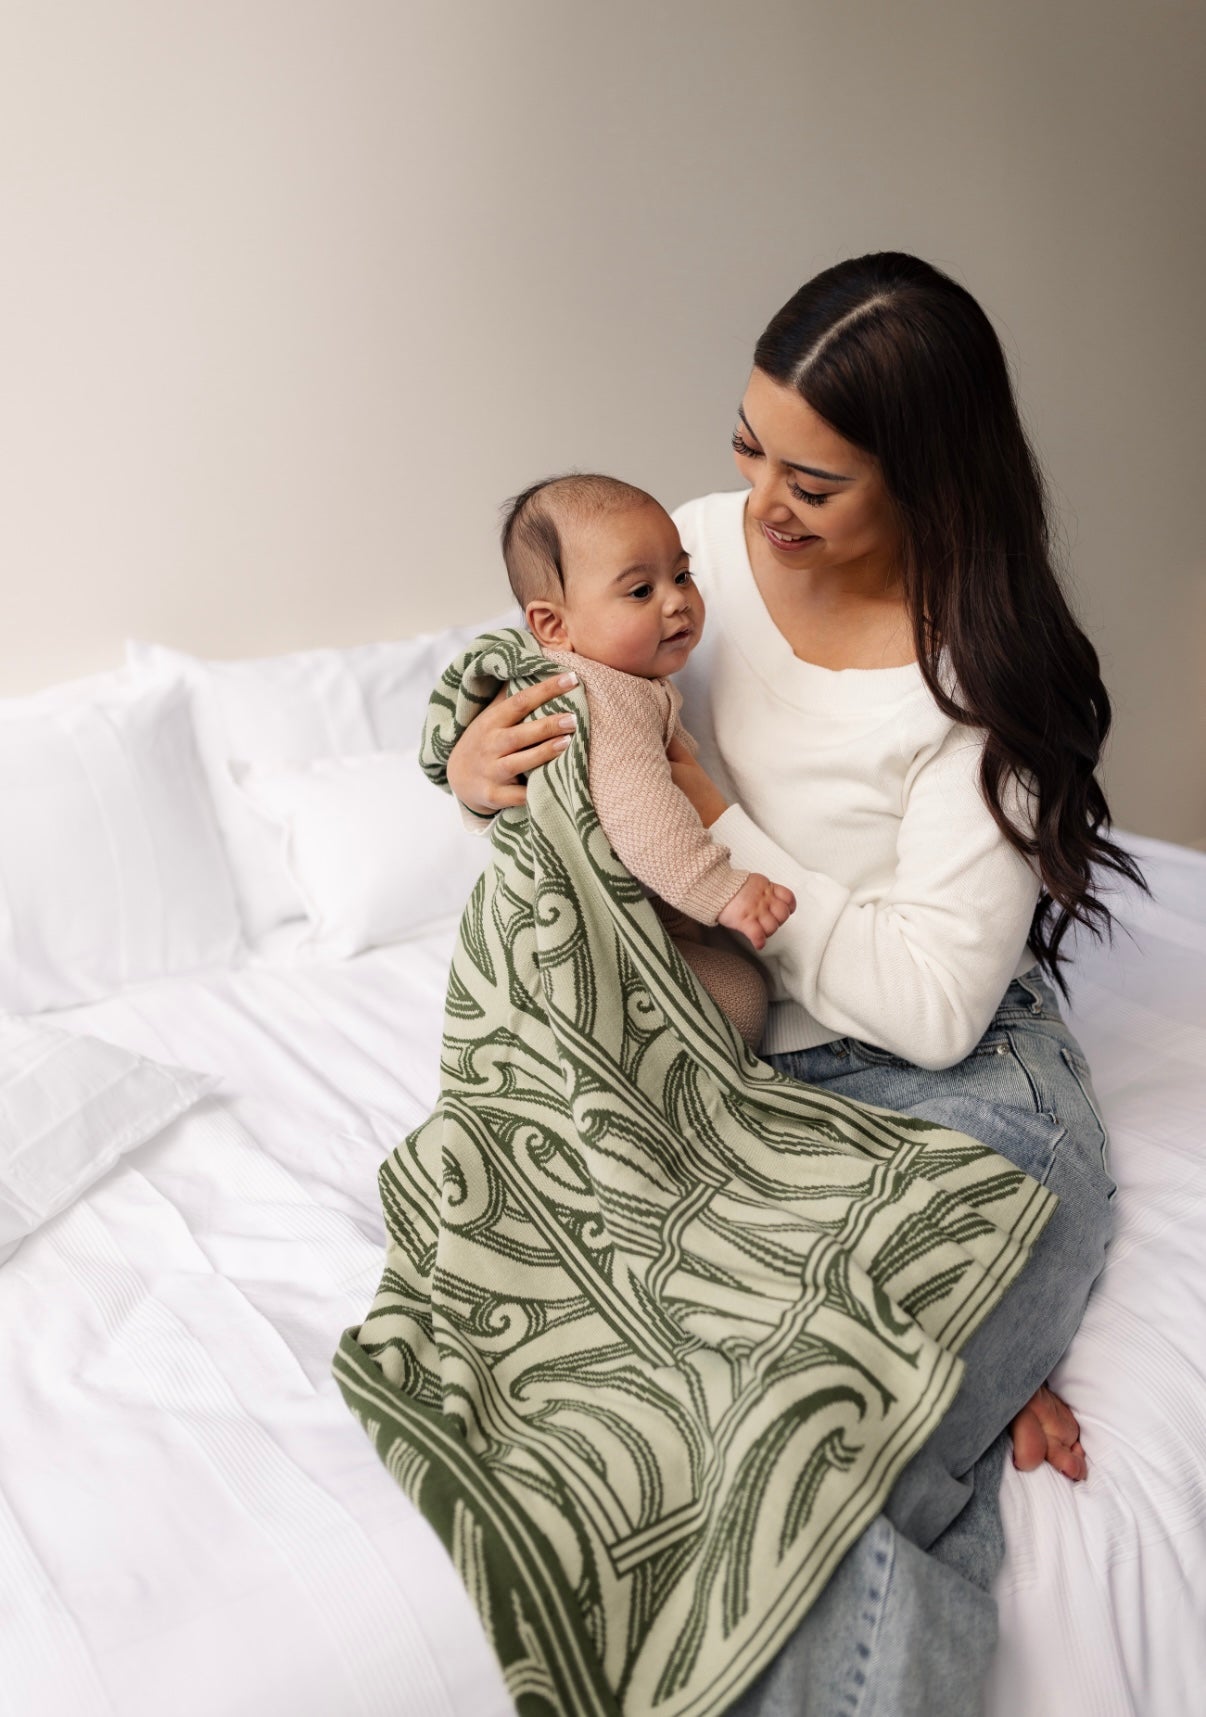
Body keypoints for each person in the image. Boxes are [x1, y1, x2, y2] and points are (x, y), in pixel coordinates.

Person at [447, 252, 1142, 1712]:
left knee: (817, 1454)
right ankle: (948, 1384)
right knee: (678, 1423)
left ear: (925, 480)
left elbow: (932, 1005)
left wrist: (719, 826)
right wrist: (470, 765)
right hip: (751, 1078)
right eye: (747, 448)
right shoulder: (688, 557)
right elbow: (569, 686)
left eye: (811, 482)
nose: (756, 507)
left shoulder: (982, 682)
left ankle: (943, 1361)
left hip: (961, 1101)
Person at [500, 469, 796, 1048]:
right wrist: (721, 889)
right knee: (738, 996)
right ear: (553, 625)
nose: (677, 602)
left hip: (631, 916)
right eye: (641, 591)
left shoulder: (619, 678)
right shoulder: (600, 695)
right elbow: (640, 808)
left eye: (682, 576)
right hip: (582, 935)